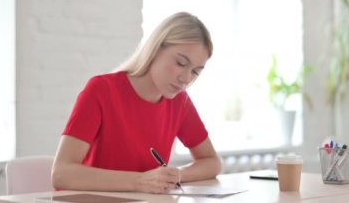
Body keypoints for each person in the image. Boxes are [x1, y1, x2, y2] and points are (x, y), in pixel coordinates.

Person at [51, 12, 222, 194]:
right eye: (180, 63)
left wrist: (177, 175)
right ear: (156, 49)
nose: (186, 78)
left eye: (195, 71)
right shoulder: (101, 90)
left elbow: (212, 162)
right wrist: (140, 181)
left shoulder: (180, 101)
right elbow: (62, 173)